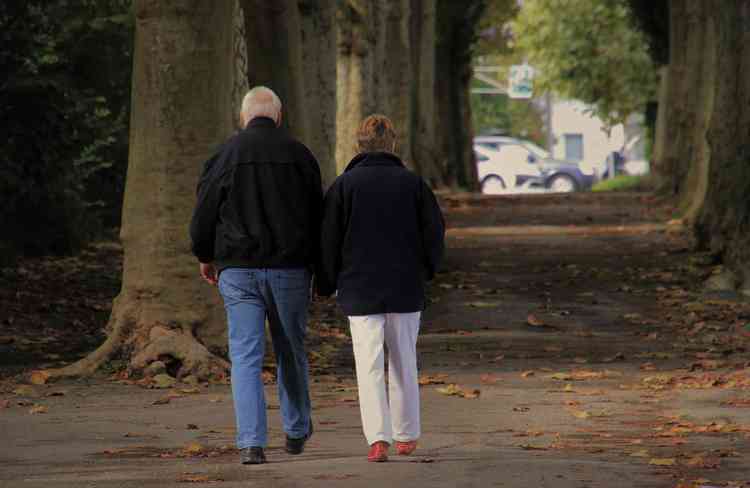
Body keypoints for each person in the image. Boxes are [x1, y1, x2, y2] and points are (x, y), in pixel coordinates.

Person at [190, 86, 321, 465]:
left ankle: (251, 443)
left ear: (243, 117)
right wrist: (319, 267)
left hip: (238, 269)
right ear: (279, 117)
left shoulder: (225, 154)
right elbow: (318, 215)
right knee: (290, 351)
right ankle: (296, 430)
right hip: (290, 270)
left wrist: (205, 254)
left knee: (245, 355)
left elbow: (204, 212)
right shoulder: (300, 155)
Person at [317, 114, 445, 462]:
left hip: (359, 289)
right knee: (404, 361)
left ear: (358, 145)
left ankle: (378, 437)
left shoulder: (344, 187)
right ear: (393, 143)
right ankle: (407, 434)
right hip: (405, 287)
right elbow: (433, 234)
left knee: (369, 365)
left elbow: (328, 241)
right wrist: (428, 271)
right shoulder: (414, 185)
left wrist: (326, 283)